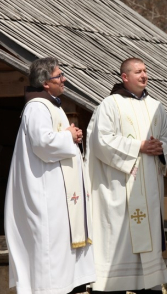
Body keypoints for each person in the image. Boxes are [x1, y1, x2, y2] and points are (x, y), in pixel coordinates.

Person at [85, 58, 167, 293]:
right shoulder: (110, 104)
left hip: (149, 192)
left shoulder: (156, 105)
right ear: (124, 77)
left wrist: (161, 148)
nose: (144, 75)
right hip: (120, 190)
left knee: (147, 249)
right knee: (120, 240)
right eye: (138, 72)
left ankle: (149, 284)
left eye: (145, 71)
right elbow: (101, 141)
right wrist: (139, 146)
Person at [4, 57, 95, 294]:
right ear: (46, 83)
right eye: (59, 75)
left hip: (60, 193)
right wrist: (69, 136)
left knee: (63, 253)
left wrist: (70, 135)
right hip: (45, 192)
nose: (64, 79)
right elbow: (42, 143)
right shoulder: (36, 107)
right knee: (50, 253)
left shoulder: (52, 106)